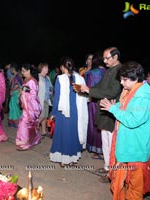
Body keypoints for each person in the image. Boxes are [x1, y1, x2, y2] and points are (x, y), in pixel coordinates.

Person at [100, 61, 150, 200]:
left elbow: (133, 120)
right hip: (128, 145)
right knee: (124, 183)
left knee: (135, 188)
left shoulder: (143, 97)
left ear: (137, 78)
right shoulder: (131, 91)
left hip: (136, 149)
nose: (121, 83)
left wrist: (113, 109)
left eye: (125, 79)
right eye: (121, 79)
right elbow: (126, 110)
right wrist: (116, 106)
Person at [78, 47, 122, 182]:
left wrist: (90, 90)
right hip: (105, 110)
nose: (104, 60)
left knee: (112, 142)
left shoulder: (120, 70)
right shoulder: (109, 70)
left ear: (115, 57)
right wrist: (87, 89)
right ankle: (107, 167)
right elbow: (100, 87)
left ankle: (113, 173)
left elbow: (112, 92)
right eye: (103, 58)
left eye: (107, 58)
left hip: (112, 112)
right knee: (106, 142)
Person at [49, 57, 88, 166]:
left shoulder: (60, 78)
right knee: (73, 133)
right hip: (76, 111)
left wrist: (53, 113)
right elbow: (85, 95)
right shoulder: (80, 78)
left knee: (63, 134)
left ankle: (63, 159)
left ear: (62, 67)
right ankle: (72, 159)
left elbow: (57, 98)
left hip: (63, 112)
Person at [16, 64, 42, 150]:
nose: (22, 73)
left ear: (29, 71)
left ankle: (25, 143)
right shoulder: (26, 80)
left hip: (31, 107)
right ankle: (35, 139)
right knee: (28, 125)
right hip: (26, 106)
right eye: (22, 71)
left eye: (24, 71)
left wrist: (23, 93)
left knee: (24, 124)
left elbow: (33, 96)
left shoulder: (32, 81)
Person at [84, 57, 105, 159]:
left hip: (93, 101)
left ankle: (97, 149)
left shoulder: (93, 72)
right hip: (104, 100)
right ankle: (102, 150)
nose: (90, 61)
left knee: (94, 124)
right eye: (88, 59)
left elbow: (90, 88)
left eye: (92, 59)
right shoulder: (105, 71)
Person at [38, 62, 53, 137]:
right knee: (42, 116)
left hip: (47, 99)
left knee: (45, 116)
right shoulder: (38, 77)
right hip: (40, 99)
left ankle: (43, 131)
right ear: (41, 68)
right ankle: (33, 128)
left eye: (47, 67)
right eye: (45, 67)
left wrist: (51, 90)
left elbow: (50, 86)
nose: (47, 69)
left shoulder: (47, 77)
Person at [8, 63, 23, 128]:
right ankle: (13, 123)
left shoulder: (17, 76)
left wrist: (12, 90)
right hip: (15, 93)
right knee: (13, 107)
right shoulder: (16, 75)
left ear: (13, 69)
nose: (10, 70)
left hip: (16, 93)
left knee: (15, 108)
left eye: (11, 68)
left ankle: (17, 123)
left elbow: (17, 85)